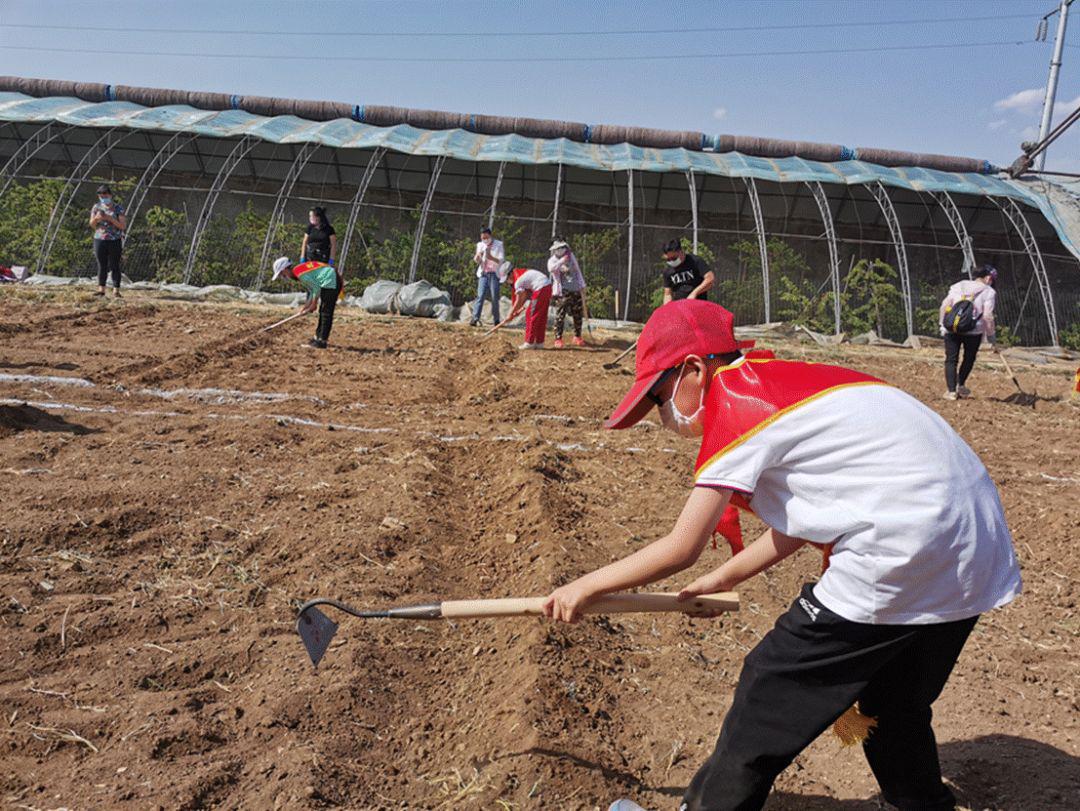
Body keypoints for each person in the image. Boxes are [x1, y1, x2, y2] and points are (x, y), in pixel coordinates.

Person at [543, 299, 1021, 811]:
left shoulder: (737, 401)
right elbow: (813, 518)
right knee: (895, 703)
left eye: (658, 400)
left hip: (902, 545)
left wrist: (585, 586)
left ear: (693, 370)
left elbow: (680, 548)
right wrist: (725, 577)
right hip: (976, 548)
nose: (663, 419)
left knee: (768, 688)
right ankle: (922, 804)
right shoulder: (785, 382)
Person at [939, 264, 998, 400]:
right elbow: (987, 316)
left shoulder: (958, 285)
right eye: (992, 280)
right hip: (973, 330)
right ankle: (960, 384)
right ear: (988, 278)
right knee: (969, 358)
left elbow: (944, 305)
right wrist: (991, 336)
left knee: (951, 360)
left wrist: (942, 325)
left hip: (951, 328)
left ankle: (951, 391)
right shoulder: (988, 292)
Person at [272, 256, 340, 349]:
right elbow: (312, 291)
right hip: (329, 279)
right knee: (322, 311)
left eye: (282, 274)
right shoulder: (299, 271)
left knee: (326, 312)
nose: (283, 277)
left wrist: (313, 304)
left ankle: (321, 341)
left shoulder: (300, 273)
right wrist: (305, 307)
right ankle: (318, 337)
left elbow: (316, 287)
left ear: (285, 269)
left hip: (331, 279)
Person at [547, 237, 587, 348]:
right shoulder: (553, 260)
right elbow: (551, 269)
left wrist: (582, 285)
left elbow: (577, 270)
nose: (561, 250)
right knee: (561, 315)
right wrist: (561, 261)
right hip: (563, 291)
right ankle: (558, 339)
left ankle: (577, 336)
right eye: (558, 248)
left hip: (575, 289)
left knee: (577, 314)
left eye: (563, 247)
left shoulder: (571, 256)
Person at [89, 184, 126, 298]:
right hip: (100, 239)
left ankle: (116, 290)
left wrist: (110, 218)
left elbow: (122, 226)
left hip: (114, 239)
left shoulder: (118, 208)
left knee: (114, 265)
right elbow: (92, 224)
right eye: (101, 196)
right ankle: (101, 290)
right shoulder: (96, 207)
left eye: (105, 195)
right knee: (102, 265)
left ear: (110, 195)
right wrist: (96, 218)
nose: (103, 198)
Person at [502, 267, 552, 349]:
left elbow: (519, 300)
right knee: (541, 316)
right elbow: (523, 298)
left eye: (506, 279)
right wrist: (516, 312)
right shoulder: (521, 274)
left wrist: (510, 315)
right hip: (548, 286)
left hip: (540, 288)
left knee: (530, 315)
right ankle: (540, 342)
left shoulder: (518, 281)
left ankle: (529, 342)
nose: (507, 282)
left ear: (510, 275)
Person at [470, 227, 507, 327]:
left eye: (486, 237)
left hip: (494, 274)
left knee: (494, 297)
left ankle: (496, 320)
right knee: (480, 295)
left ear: (490, 236)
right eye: (483, 238)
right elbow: (477, 260)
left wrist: (491, 258)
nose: (484, 240)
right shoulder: (480, 245)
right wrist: (477, 258)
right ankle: (475, 318)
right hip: (483, 274)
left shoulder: (498, 244)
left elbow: (501, 260)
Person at [661, 239, 714, 305]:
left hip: (698, 305)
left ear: (681, 252)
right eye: (668, 259)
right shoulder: (667, 271)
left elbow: (710, 279)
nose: (671, 261)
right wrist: (666, 310)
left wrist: (694, 293)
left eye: (674, 258)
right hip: (680, 308)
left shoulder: (695, 261)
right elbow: (667, 294)